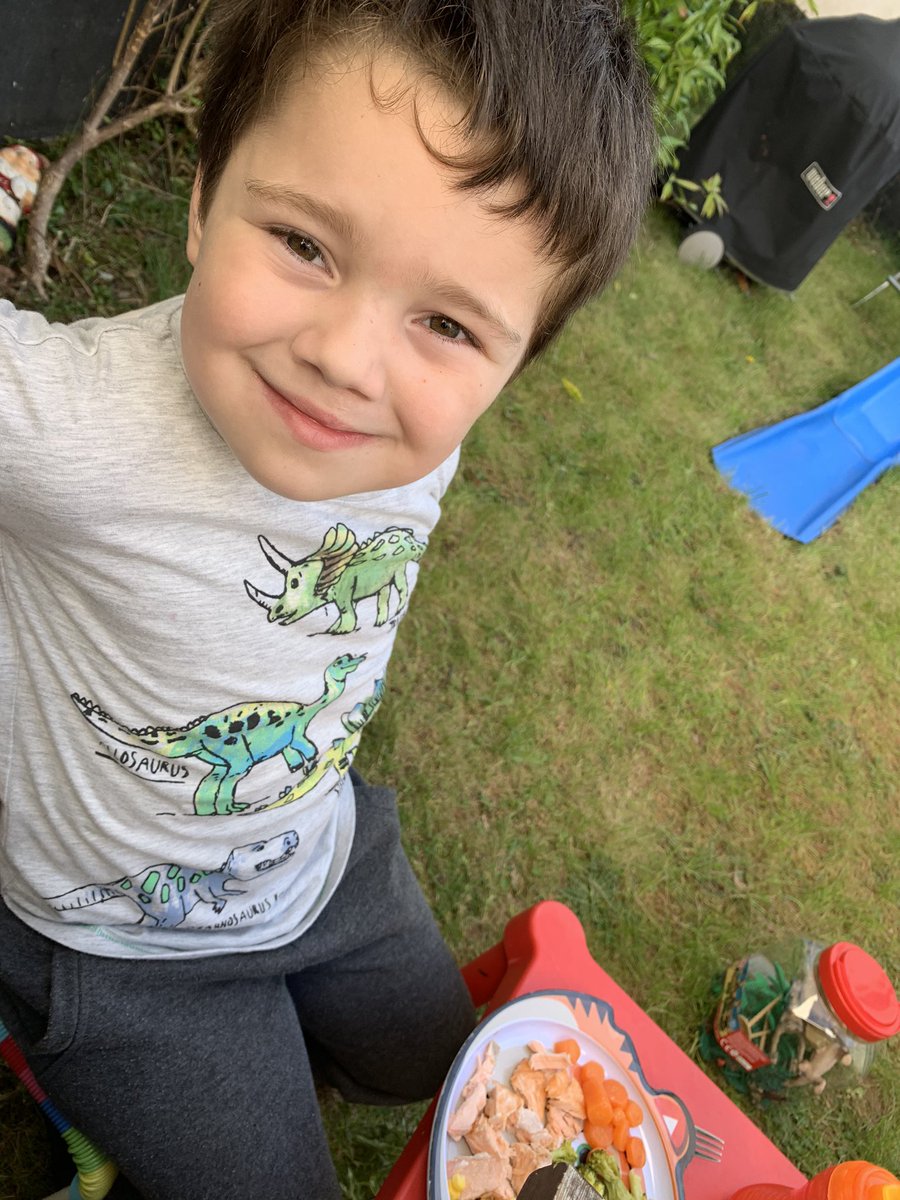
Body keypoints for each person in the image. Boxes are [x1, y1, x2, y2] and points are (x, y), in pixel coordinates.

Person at [0, 1, 655, 1195]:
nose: (350, 362)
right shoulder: (60, 427)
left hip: (322, 851)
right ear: (205, 196)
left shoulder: (418, 434)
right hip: (121, 947)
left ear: (511, 366)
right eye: (304, 243)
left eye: (447, 324)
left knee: (433, 1067)